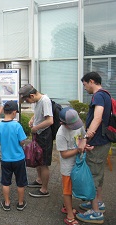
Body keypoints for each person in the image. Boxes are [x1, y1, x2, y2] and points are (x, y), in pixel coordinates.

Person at [76, 72, 111, 224]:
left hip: (97, 142)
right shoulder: (106, 95)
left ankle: (96, 212)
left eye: (85, 85)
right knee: (99, 174)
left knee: (93, 177)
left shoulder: (98, 96)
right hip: (104, 141)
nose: (85, 88)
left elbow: (97, 118)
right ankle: (99, 202)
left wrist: (85, 138)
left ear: (91, 81)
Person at [18, 84, 53, 197]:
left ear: (32, 95)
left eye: (27, 99)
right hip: (38, 134)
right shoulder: (38, 101)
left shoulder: (45, 101)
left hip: (44, 135)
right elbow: (39, 114)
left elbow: (50, 120)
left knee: (43, 162)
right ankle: (39, 180)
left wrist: (36, 127)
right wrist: (32, 119)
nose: (28, 102)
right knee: (38, 158)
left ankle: (44, 189)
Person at [0, 101, 28, 211]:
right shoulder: (17, 125)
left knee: (5, 182)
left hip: (5, 159)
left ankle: (7, 203)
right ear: (13, 112)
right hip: (19, 158)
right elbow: (22, 141)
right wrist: (21, 144)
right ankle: (20, 203)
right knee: (20, 182)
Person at [56, 107, 85, 225]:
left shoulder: (79, 125)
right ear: (62, 123)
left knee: (72, 189)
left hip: (78, 163)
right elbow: (64, 154)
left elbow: (83, 138)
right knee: (67, 191)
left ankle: (66, 206)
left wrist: (84, 145)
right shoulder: (60, 133)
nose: (75, 127)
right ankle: (69, 216)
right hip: (67, 167)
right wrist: (78, 150)